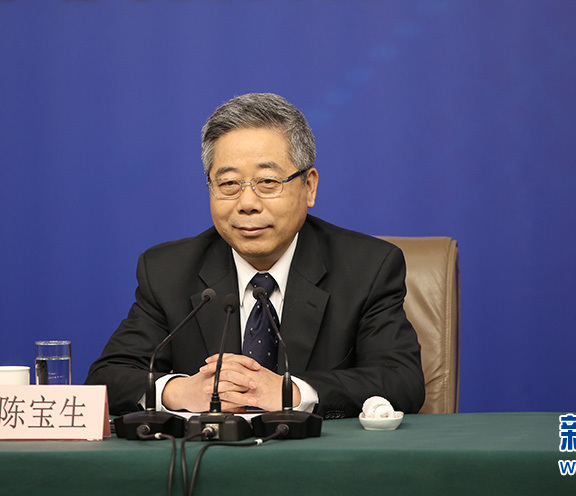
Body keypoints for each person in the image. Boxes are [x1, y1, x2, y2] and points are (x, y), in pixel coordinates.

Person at [86, 93, 424, 418]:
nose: (247, 203)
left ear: (308, 186)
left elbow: (401, 380)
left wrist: (292, 392)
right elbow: (108, 378)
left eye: (268, 182)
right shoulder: (168, 271)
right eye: (229, 184)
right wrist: (180, 392)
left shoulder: (368, 267)